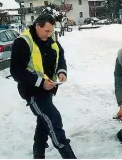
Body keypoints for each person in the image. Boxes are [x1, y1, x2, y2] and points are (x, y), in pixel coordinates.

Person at [10, 14, 76, 159]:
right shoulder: (23, 42)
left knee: (43, 120)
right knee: (54, 119)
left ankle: (38, 153)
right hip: (32, 91)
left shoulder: (50, 40)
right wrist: (40, 82)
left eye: (51, 31)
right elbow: (16, 71)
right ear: (37, 26)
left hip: (48, 89)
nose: (49, 34)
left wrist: (61, 71)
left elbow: (60, 55)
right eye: (46, 30)